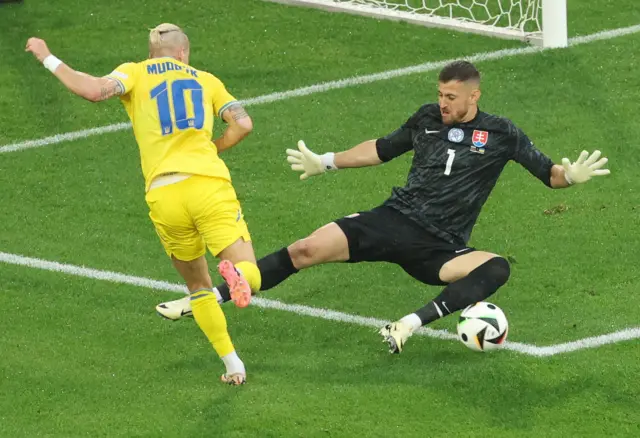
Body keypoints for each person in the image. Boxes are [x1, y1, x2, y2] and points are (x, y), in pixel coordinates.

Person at [156, 60, 610, 354]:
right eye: (440, 94)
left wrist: (570, 176)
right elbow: (381, 149)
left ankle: (410, 324)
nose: (443, 102)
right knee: (304, 249)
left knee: (496, 269)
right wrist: (326, 162)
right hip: (393, 220)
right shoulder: (426, 118)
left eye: (451, 97)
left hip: (441, 248)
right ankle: (204, 298)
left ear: (475, 96)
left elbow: (548, 173)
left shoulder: (502, 133)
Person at [26, 23, 263, 384]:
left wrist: (47, 56)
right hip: (207, 185)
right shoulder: (206, 80)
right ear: (183, 52)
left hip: (164, 195)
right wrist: (213, 148)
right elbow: (243, 123)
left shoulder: (134, 72)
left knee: (197, 287)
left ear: (152, 52)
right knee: (252, 274)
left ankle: (233, 366)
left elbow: (93, 90)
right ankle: (234, 279)